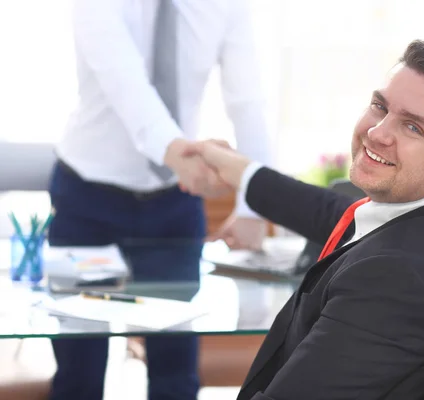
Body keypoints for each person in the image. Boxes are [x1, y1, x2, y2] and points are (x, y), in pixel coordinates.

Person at [188, 39, 424, 399]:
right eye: (379, 106)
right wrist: (235, 170)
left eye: (413, 127)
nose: (377, 132)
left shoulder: (396, 281)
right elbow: (335, 214)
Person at [47, 0, 272, 399]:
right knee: (79, 372)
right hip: (87, 201)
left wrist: (254, 206)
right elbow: (125, 83)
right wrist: (175, 153)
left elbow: (248, 99)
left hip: (173, 206)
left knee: (175, 373)